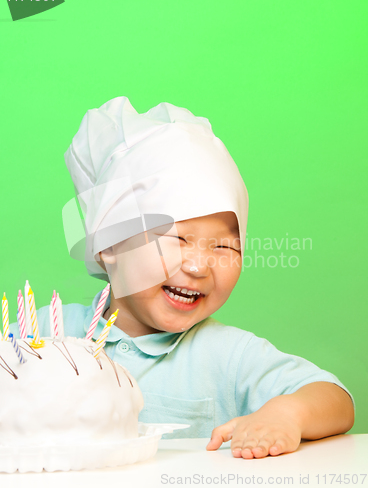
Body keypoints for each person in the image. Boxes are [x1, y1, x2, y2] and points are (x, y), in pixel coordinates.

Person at [10, 96, 355, 459]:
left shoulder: (226, 355)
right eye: (176, 239)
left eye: (224, 247)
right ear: (108, 243)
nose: (198, 266)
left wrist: (286, 414)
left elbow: (335, 398)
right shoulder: (41, 333)